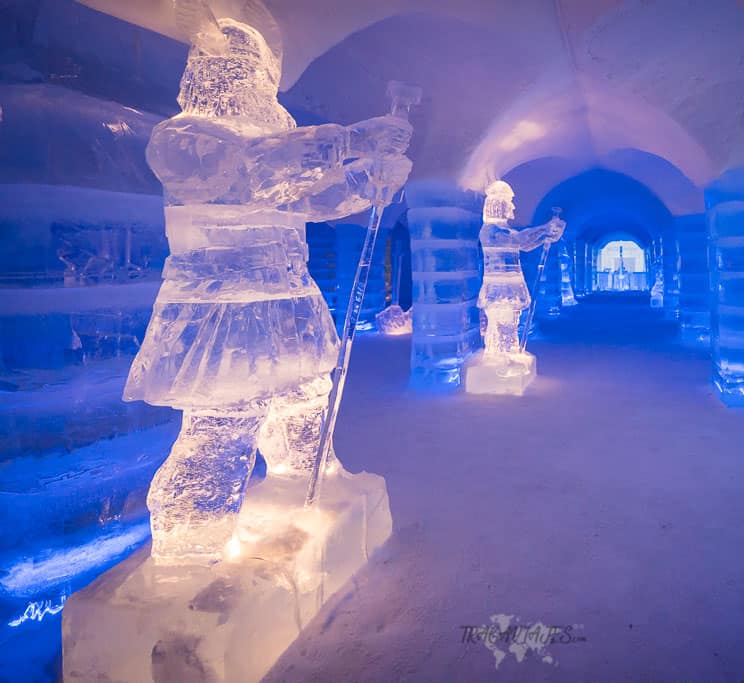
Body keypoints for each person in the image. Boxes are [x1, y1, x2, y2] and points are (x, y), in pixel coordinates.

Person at [124, 17, 412, 565]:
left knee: (304, 402)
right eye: (249, 71)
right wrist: (351, 141)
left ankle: (308, 480)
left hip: (287, 302)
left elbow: (311, 200)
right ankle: (193, 539)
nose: (260, 85)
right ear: (219, 73)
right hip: (221, 312)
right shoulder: (184, 138)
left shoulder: (275, 146)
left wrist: (370, 176)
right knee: (223, 424)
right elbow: (249, 174)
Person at [477, 181, 565, 368]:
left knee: (512, 322)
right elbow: (519, 239)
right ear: (499, 204)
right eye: (509, 201)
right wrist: (544, 229)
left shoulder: (505, 230)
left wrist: (547, 235)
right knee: (500, 323)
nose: (513, 206)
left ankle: (509, 352)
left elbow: (525, 245)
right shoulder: (490, 231)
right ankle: (497, 356)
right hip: (498, 287)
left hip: (510, 285)